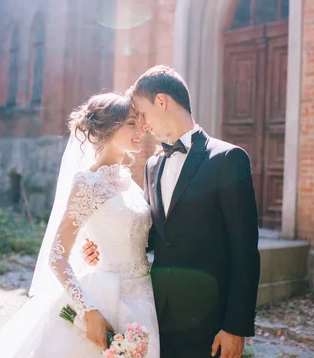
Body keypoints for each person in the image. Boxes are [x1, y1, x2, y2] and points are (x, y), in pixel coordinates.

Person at [83, 66, 260, 358]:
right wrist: (101, 245)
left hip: (209, 320)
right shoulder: (153, 165)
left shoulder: (228, 159)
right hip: (156, 314)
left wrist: (235, 326)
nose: (141, 124)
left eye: (141, 113)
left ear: (162, 102)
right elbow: (155, 235)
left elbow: (245, 252)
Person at [0, 92, 160, 357]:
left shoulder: (127, 181)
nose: (141, 130)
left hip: (144, 298)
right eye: (131, 123)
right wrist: (88, 311)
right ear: (109, 128)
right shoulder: (87, 184)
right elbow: (58, 255)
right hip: (106, 298)